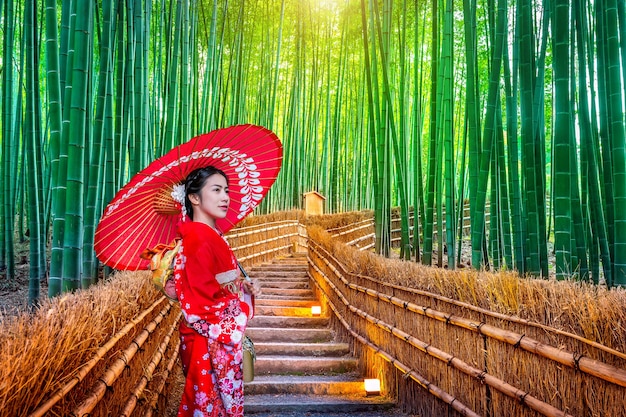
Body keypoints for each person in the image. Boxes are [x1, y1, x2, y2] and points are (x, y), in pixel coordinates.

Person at [172, 165, 259, 417]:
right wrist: (241, 306)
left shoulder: (212, 235)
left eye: (227, 190)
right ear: (194, 198)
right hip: (207, 338)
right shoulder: (198, 238)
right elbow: (202, 301)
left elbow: (219, 284)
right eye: (217, 190)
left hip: (216, 335)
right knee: (209, 407)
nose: (225, 197)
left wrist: (243, 288)